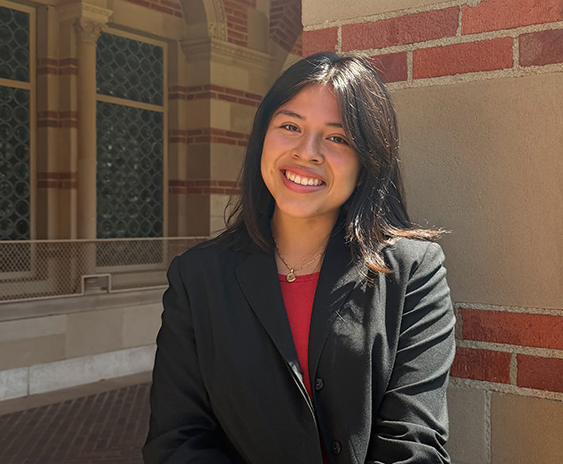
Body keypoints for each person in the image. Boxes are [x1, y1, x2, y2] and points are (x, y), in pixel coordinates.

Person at [143, 52, 456, 464]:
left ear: (366, 163)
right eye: (290, 126)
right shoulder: (197, 276)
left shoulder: (413, 271)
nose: (307, 152)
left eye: (337, 138)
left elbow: (415, 443)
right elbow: (177, 441)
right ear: (262, 140)